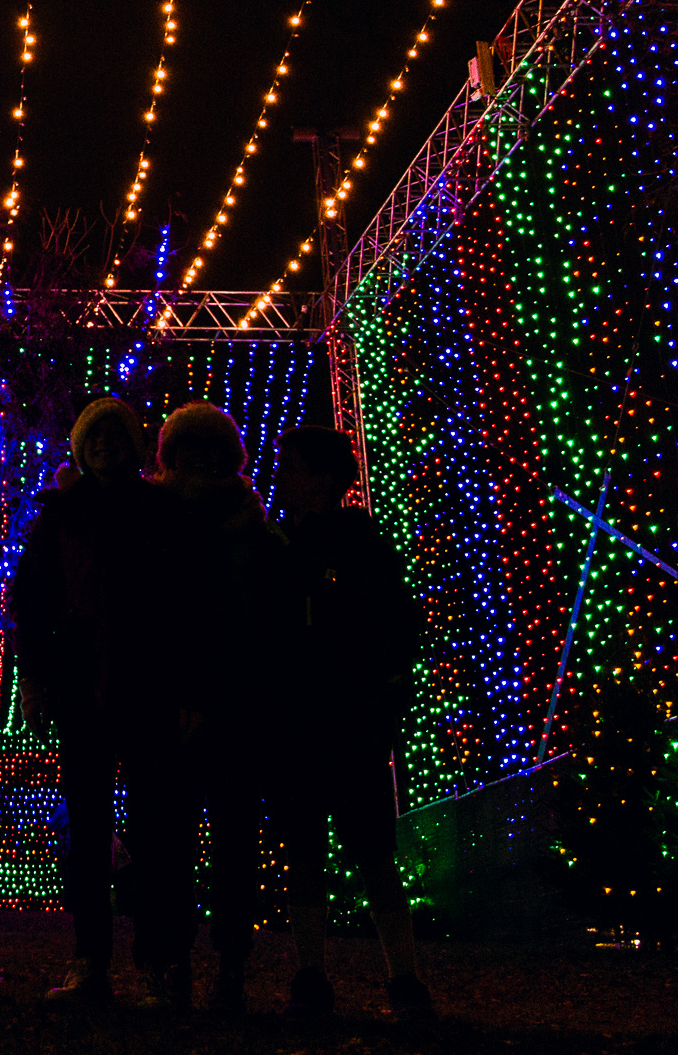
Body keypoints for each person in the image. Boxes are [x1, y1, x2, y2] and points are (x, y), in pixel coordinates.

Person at [270, 425, 433, 1023]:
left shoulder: (337, 545)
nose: (283, 477)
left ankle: (368, 977)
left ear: (318, 475)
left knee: (357, 851)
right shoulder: (297, 542)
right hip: (318, 720)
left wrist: (379, 696)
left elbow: (394, 629)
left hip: (337, 719)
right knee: (329, 851)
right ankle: (380, 979)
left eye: (293, 467)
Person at [8, 395, 163, 1008]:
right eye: (93, 438)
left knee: (153, 830)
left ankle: (154, 963)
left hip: (147, 682)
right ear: (80, 445)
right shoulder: (61, 514)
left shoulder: (158, 509)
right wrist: (36, 676)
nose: (103, 447)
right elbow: (32, 600)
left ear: (132, 444)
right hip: (82, 686)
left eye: (114, 436)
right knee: (90, 830)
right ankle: (90, 959)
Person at [153, 402, 292, 1018]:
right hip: (174, 708)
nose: (202, 460)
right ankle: (177, 962)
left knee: (234, 845)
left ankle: (230, 967)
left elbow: (263, 620)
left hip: (238, 706)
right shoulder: (155, 523)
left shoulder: (255, 532)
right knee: (172, 845)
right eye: (191, 448)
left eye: (212, 448)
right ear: (172, 455)